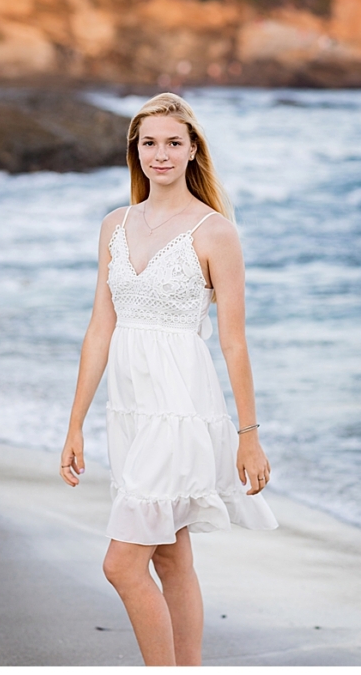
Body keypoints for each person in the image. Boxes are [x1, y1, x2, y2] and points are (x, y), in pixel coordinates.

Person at [59, 93, 278, 666]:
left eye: (173, 143)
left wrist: (248, 435)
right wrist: (74, 423)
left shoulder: (215, 233)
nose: (161, 153)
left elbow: (234, 341)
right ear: (136, 150)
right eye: (150, 142)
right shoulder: (114, 225)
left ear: (192, 150)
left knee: (120, 563)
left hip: (181, 410)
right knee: (170, 556)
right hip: (130, 410)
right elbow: (99, 329)